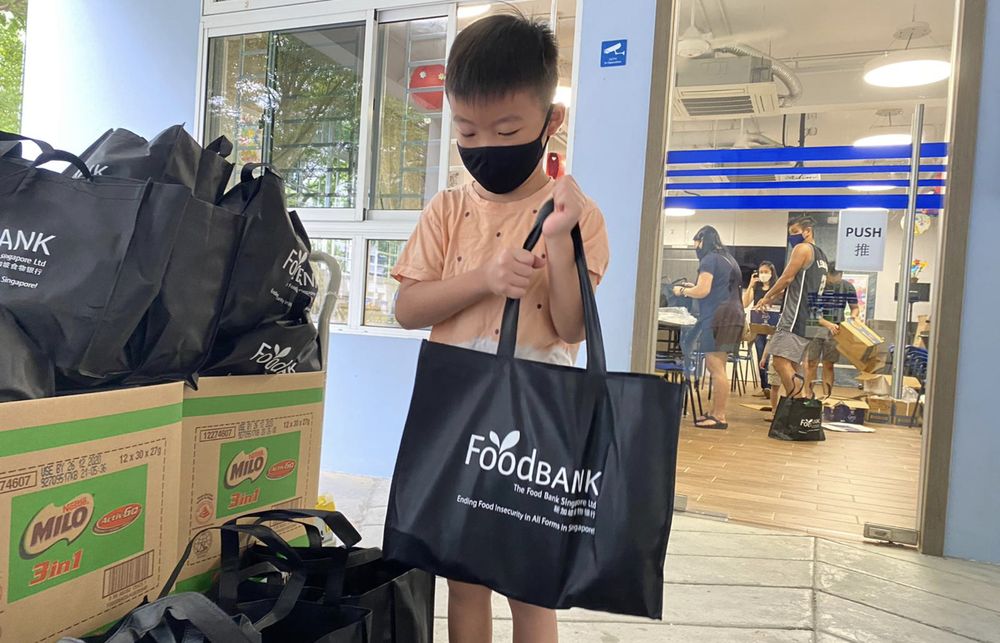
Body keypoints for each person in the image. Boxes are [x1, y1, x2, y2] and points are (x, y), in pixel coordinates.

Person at [390, 13, 609, 643]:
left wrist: (562, 241)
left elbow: (570, 327)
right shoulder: (450, 207)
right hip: (457, 407)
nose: (485, 142)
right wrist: (484, 279)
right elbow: (408, 310)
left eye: (507, 128)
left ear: (550, 122)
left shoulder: (576, 213)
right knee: (462, 578)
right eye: (466, 129)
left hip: (538, 414)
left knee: (530, 581)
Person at [673, 226, 744, 429]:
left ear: (703, 240)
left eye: (696, 242)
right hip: (733, 315)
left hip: (718, 317)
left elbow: (703, 290)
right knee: (720, 366)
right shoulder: (728, 258)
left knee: (715, 366)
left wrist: (681, 291)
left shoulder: (709, 259)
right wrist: (692, 288)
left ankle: (719, 416)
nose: (695, 246)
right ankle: (715, 412)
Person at [755, 217, 833, 399]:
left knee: (780, 361)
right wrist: (776, 296)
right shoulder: (822, 256)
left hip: (794, 318)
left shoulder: (802, 249)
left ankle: (798, 400)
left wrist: (767, 297)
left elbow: (786, 278)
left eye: (795, 233)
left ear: (807, 231)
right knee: (794, 366)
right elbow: (799, 287)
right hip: (810, 318)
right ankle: (796, 413)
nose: (792, 238)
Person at [805, 265, 861, 397]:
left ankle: (827, 396)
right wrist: (827, 323)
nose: (833, 283)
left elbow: (855, 307)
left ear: (841, 275)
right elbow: (811, 311)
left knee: (829, 364)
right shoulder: (817, 285)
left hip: (835, 330)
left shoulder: (847, 287)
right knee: (811, 363)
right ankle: (808, 395)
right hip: (814, 327)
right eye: (830, 280)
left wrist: (853, 316)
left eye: (836, 280)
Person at [742, 260, 780, 398]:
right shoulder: (756, 288)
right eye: (761, 272)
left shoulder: (777, 287)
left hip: (773, 327)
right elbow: (745, 303)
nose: (763, 274)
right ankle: (765, 387)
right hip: (758, 327)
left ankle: (771, 386)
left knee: (769, 357)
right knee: (760, 356)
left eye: (766, 272)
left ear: (772, 273)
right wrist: (751, 286)